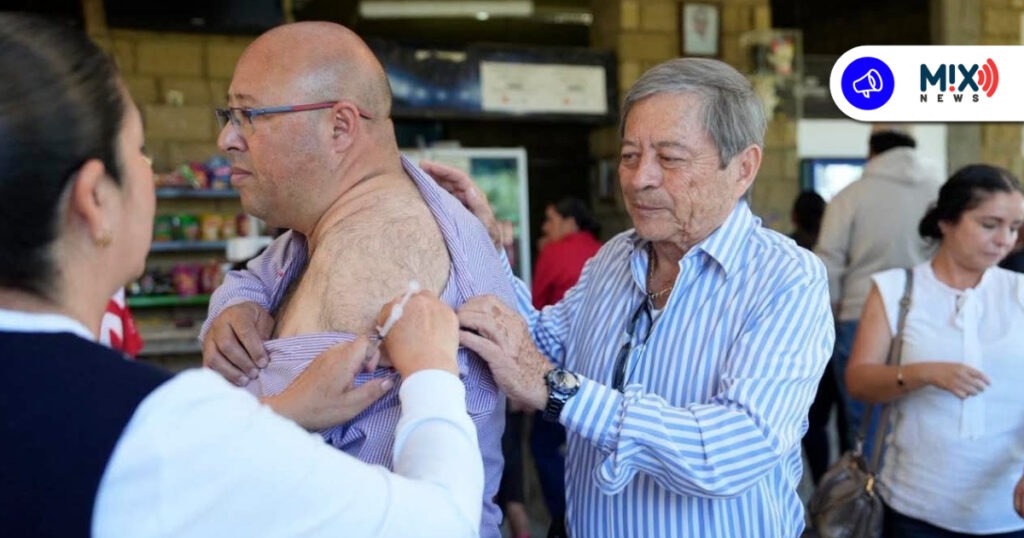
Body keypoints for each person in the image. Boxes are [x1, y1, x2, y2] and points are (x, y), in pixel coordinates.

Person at [0, 13, 483, 538]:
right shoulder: (150, 426)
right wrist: (431, 369)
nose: (224, 140)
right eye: (138, 151)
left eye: (246, 116)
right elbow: (441, 524)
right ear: (95, 199)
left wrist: (278, 404)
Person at [437, 58, 834, 536]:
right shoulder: (615, 257)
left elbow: (728, 452)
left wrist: (558, 390)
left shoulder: (786, 278)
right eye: (629, 156)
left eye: (669, 158)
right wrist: (483, 246)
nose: (639, 178)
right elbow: (538, 346)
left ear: (743, 168)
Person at [199, 21, 514, 536]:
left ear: (340, 127)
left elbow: (237, 471)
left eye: (248, 115)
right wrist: (235, 303)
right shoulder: (340, 215)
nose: (227, 139)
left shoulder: (376, 250)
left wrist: (268, 408)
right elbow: (257, 273)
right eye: (228, 115)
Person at [845, 164, 1024, 537]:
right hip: (914, 503)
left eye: (1014, 228)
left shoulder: (1018, 292)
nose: (1004, 240)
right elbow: (859, 381)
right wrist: (923, 373)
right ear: (946, 221)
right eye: (990, 225)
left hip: (1006, 508)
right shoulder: (896, 289)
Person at [815, 124, 943, 447]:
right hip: (928, 314)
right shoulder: (939, 192)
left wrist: (829, 315)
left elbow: (828, 262)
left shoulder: (851, 195)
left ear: (871, 149)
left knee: (865, 420)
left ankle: (869, 479)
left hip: (859, 315)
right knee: (921, 414)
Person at [530, 196, 602, 537]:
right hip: (599, 374)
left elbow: (535, 310)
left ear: (570, 222)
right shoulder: (604, 252)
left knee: (543, 446)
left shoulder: (555, 253)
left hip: (556, 374)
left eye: (551, 219)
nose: (545, 227)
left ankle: (565, 517)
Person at [790, 191, 851, 485]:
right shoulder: (843, 249)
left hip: (806, 349)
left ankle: (821, 483)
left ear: (795, 217)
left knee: (814, 421)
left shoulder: (789, 250)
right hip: (843, 338)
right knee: (846, 419)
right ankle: (846, 486)